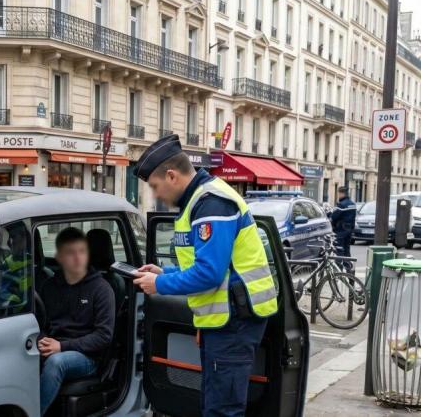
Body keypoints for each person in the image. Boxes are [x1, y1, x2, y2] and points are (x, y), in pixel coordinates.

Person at [131, 134, 278, 417]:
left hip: (234, 322)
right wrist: (165, 272)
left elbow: (209, 274)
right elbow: (208, 266)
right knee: (215, 403)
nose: (156, 195)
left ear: (171, 175)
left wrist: (159, 283)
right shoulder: (200, 201)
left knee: (222, 410)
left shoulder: (211, 203)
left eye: (155, 186)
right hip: (225, 321)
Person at [38, 227, 115, 415]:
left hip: (86, 356)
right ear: (60, 258)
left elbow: (104, 336)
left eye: (82, 252)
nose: (78, 258)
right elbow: (40, 322)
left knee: (57, 362)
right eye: (70, 253)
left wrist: (62, 347)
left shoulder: (102, 289)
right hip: (53, 344)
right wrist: (42, 340)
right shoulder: (49, 287)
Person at [330, 186, 356, 263]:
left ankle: (339, 268)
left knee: (339, 249)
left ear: (342, 193)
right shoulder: (353, 204)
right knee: (347, 249)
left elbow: (334, 217)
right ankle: (348, 268)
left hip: (341, 230)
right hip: (349, 229)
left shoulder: (341, 205)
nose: (338, 195)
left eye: (339, 193)